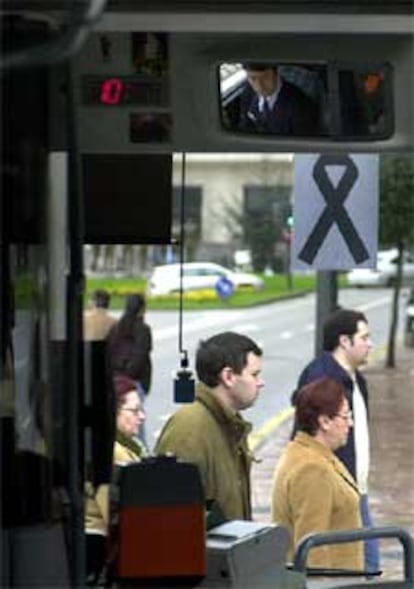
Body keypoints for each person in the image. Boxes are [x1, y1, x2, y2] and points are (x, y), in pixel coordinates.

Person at [291, 308, 379, 572]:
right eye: (364, 337)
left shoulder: (355, 380)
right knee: (360, 567)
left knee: (368, 566)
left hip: (354, 488)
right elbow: (307, 435)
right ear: (344, 341)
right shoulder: (322, 379)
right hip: (333, 490)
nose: (370, 343)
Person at [155, 331, 264, 520]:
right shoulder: (189, 430)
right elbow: (171, 519)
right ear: (228, 376)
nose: (261, 382)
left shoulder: (230, 425)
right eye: (254, 375)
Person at [272, 377, 363, 570]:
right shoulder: (312, 469)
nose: (351, 424)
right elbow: (312, 549)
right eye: (345, 416)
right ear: (324, 421)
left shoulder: (311, 454)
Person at [85, 374, 147, 585]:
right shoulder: (116, 455)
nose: (142, 416)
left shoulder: (121, 445)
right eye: (135, 410)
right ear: (113, 411)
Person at [107, 294, 152, 444]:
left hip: (117, 379)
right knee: (136, 420)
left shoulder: (115, 328)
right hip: (134, 381)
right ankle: (140, 455)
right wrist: (129, 376)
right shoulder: (143, 330)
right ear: (142, 310)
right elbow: (141, 356)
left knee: (122, 419)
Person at [239, 62, 320, 136]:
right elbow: (245, 128)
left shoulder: (300, 106)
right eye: (253, 78)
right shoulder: (247, 93)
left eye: (265, 77)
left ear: (276, 73)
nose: (259, 86)